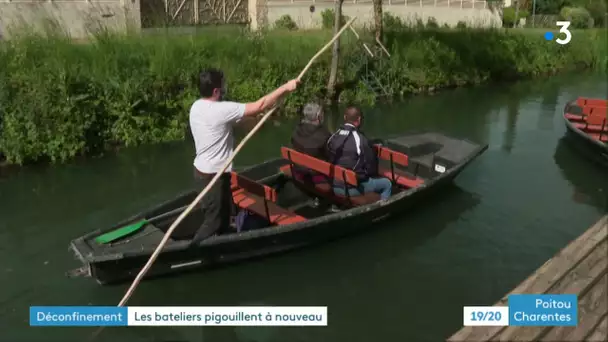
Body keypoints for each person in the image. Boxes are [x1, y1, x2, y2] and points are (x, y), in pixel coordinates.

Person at [188, 68, 299, 245]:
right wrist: (286, 87)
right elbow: (259, 105)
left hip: (207, 174)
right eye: (222, 86)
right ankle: (192, 251)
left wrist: (259, 119)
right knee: (212, 223)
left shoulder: (196, 107)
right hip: (212, 178)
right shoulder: (220, 110)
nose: (224, 88)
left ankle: (224, 244)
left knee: (224, 217)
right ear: (216, 91)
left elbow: (238, 120)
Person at [325, 106, 392, 200]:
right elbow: (370, 166)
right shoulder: (360, 139)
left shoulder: (334, 136)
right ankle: (382, 208)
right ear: (359, 119)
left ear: (344, 117)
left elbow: (328, 155)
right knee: (386, 183)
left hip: (333, 183)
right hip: (350, 188)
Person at [290, 102, 331, 184]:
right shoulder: (324, 135)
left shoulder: (296, 130)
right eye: (322, 113)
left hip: (298, 171)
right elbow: (331, 155)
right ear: (319, 116)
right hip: (316, 176)